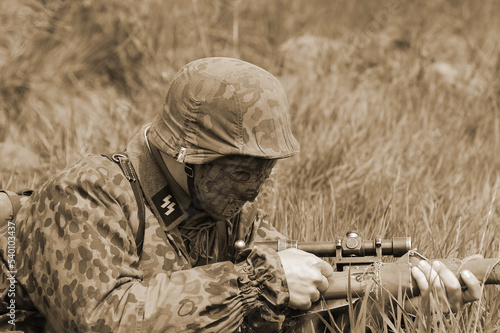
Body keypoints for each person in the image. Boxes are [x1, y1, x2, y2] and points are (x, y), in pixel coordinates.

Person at [0, 57, 482, 332]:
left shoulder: (225, 216)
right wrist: (259, 283)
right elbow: (103, 320)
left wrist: (411, 302)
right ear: (184, 154)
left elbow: (291, 320)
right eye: (240, 171)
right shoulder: (88, 194)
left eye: (265, 170)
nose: (253, 190)